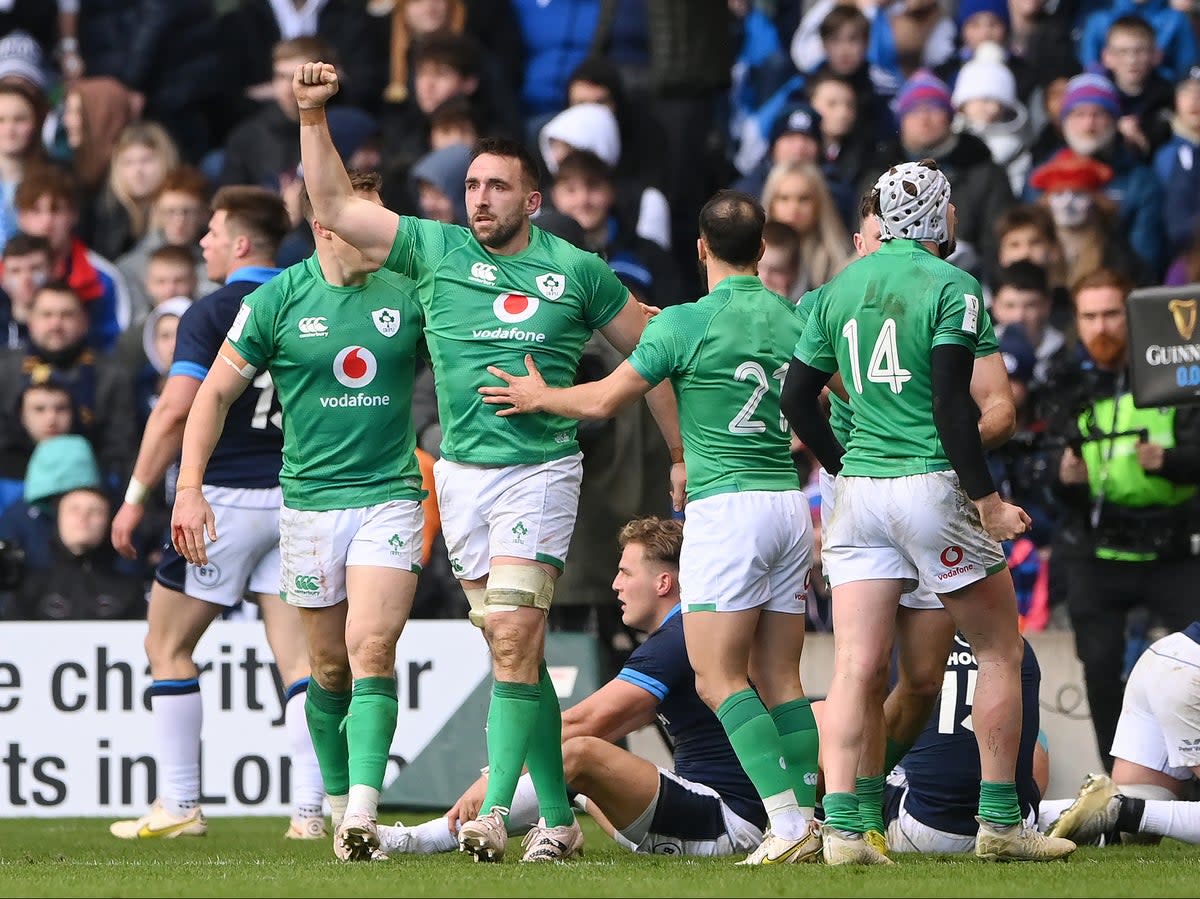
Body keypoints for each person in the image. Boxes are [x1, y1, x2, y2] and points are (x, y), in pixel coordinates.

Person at [293, 61, 683, 864]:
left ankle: (493, 811)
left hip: (538, 471)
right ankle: (563, 824)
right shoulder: (432, 249)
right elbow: (331, 205)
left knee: (511, 633)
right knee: (516, 650)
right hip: (461, 476)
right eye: (472, 184)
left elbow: (653, 356)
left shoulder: (576, 270)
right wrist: (309, 115)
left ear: (532, 201)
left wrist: (675, 452)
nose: (480, 198)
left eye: (498, 187)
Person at [481, 190, 822, 865]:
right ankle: (814, 816)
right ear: (761, 251)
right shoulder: (795, 316)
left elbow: (607, 398)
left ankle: (786, 825)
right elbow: (833, 396)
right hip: (789, 504)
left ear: (700, 248)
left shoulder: (684, 323)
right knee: (781, 676)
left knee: (716, 676)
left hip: (729, 509)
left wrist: (539, 395)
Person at [782, 158, 1075, 864]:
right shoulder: (953, 285)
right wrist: (990, 502)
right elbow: (951, 407)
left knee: (854, 665)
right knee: (1000, 647)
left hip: (855, 493)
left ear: (877, 220)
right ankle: (1001, 820)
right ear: (945, 219)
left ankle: (846, 829)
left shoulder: (831, 289)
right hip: (929, 484)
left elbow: (795, 402)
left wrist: (843, 463)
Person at [171, 170, 424, 862]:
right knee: (328, 666)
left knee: (374, 649)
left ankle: (362, 813)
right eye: (365, 223)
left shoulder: (410, 291)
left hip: (391, 493)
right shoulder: (278, 299)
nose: (383, 237)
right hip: (308, 503)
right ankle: (337, 799)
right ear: (323, 225)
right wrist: (188, 485)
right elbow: (212, 395)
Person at [108, 186, 325, 843]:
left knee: (167, 644)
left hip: (224, 497)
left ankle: (179, 803)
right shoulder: (308, 299)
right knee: (299, 662)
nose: (202, 242)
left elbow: (176, 408)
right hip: (295, 497)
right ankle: (311, 813)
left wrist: (137, 494)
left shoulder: (214, 309)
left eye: (211, 231)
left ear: (238, 243)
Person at [376, 516, 769, 859]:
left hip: (725, 821)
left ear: (664, 582)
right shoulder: (690, 630)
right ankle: (557, 821)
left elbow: (583, 722)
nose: (615, 585)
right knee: (570, 767)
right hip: (699, 817)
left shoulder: (676, 638)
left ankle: (423, 839)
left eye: (626, 573)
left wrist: (493, 784)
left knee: (579, 753)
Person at [1039, 268, 1200, 771]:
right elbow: (1044, 480)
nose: (1102, 326)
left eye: (1112, 314)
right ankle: (1123, 790)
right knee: (1102, 672)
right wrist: (1064, 479)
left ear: (1131, 317)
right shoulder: (1067, 384)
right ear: (1077, 322)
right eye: (1090, 316)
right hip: (1097, 552)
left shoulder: (1179, 373)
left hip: (1174, 547)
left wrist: (1169, 462)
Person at [880, 634, 1047, 853]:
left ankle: (836, 823)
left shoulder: (905, 645)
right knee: (1034, 742)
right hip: (1012, 818)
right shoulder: (1019, 647)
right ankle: (1018, 819)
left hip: (923, 824)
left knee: (827, 714)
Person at [1043, 621, 1200, 847]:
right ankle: (1122, 809)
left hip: (1168, 654)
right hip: (1190, 671)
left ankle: (994, 817)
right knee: (1133, 812)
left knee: (1130, 828)